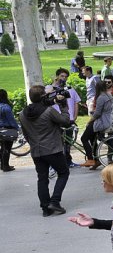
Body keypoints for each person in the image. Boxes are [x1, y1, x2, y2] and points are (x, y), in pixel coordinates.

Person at [19, 85, 72, 215]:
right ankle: (55, 201)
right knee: (63, 173)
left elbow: (26, 134)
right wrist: (63, 106)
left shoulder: (22, 114)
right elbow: (65, 121)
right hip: (52, 149)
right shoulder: (48, 111)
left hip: (36, 151)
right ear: (43, 96)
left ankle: (45, 208)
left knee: (42, 179)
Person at [80, 80, 113, 169]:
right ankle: (96, 160)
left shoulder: (101, 97)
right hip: (109, 120)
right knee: (92, 139)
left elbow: (98, 114)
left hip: (102, 121)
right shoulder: (109, 95)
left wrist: (90, 121)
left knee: (84, 138)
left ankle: (90, 158)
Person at [0, 89, 20, 172]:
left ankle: (2, 165)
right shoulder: (6, 107)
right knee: (7, 148)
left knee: (2, 148)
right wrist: (17, 128)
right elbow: (11, 120)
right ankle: (6, 166)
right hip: (7, 130)